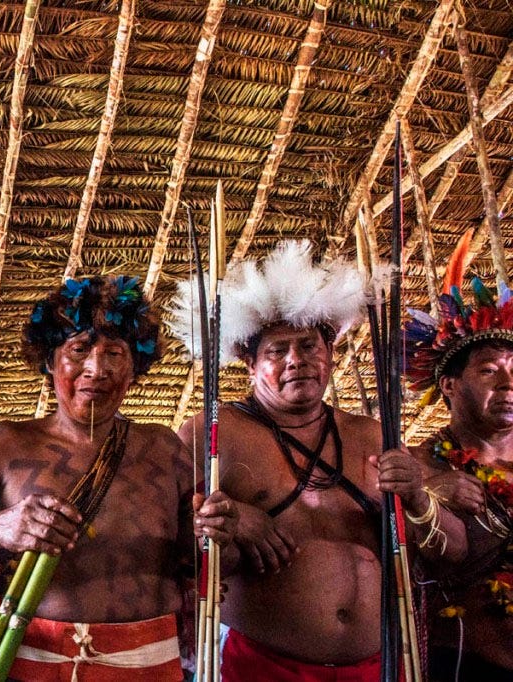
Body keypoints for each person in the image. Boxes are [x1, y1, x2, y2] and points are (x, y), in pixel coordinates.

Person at [0, 275, 238, 682]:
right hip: (31, 661)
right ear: (50, 361)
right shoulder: (3, 446)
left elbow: (208, 560)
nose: (97, 369)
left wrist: (220, 531)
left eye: (115, 353)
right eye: (80, 349)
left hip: (149, 664)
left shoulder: (165, 450)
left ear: (135, 366)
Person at [169, 240, 466, 682]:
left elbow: (453, 551)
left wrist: (419, 498)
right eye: (277, 350)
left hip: (379, 665)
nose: (296, 360)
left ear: (330, 353)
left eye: (309, 345)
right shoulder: (213, 434)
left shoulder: (371, 434)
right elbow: (178, 553)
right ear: (249, 362)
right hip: (263, 666)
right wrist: (231, 521)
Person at [403, 232, 513, 680]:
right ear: (449, 385)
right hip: (463, 665)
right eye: (489, 370)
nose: (507, 384)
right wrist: (423, 495)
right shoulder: (417, 467)